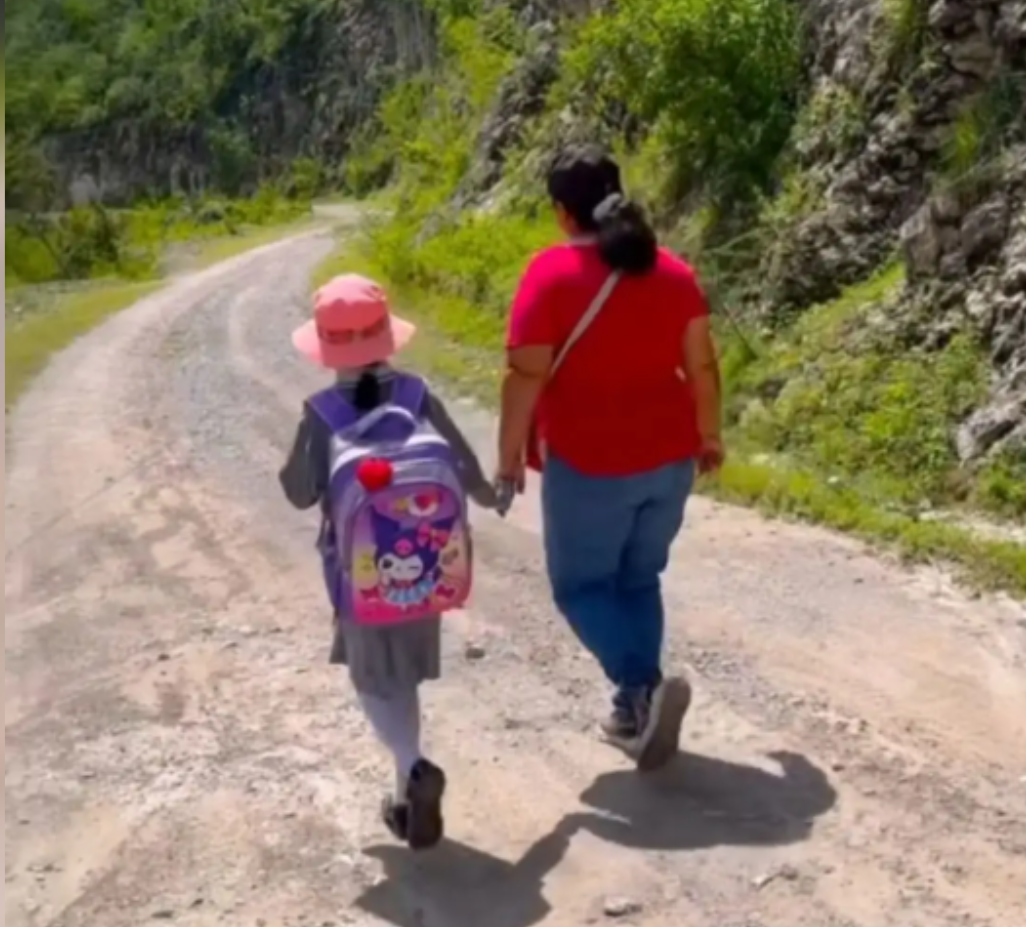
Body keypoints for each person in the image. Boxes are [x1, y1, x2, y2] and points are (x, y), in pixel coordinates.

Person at [494, 146, 725, 772]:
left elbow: (523, 376)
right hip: (671, 459)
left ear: (563, 214)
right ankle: (635, 705)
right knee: (636, 578)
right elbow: (701, 363)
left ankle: (640, 687)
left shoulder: (550, 275)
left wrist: (509, 455)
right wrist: (710, 434)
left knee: (579, 588)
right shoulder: (674, 272)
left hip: (591, 462)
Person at [280, 273, 500, 850]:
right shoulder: (417, 394)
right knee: (402, 679)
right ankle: (404, 796)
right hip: (426, 570)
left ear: (328, 349)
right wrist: (489, 496)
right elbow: (464, 463)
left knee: (375, 681)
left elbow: (299, 492)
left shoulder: (323, 411)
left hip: (361, 578)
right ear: (387, 339)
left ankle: (415, 768)